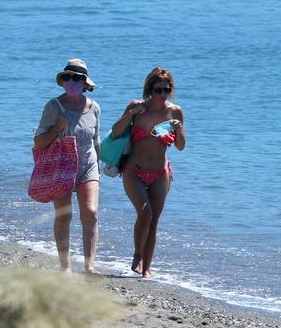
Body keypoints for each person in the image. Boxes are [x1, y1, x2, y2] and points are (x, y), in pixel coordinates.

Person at [109, 67, 185, 279]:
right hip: (134, 171)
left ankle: (147, 269)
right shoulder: (137, 107)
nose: (161, 94)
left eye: (166, 90)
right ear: (149, 89)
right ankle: (137, 254)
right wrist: (131, 114)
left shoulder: (175, 112)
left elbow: (181, 146)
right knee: (145, 213)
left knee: (154, 220)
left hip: (161, 173)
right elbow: (116, 132)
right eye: (157, 89)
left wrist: (178, 130)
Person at [34, 59, 101, 274]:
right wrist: (59, 127)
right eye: (68, 77)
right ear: (63, 81)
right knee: (64, 215)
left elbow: (96, 141)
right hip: (61, 166)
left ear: (84, 82)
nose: (72, 81)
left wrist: (98, 169)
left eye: (77, 78)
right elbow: (39, 142)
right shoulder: (54, 106)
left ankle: (90, 266)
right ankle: (66, 267)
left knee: (90, 213)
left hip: (88, 166)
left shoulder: (95, 108)